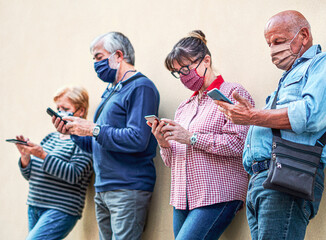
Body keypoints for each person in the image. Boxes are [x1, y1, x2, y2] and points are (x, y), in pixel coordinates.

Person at [216, 10, 326, 239]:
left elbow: (311, 114)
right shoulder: (287, 78)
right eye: (269, 44)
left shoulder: (325, 63)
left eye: (278, 41)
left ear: (304, 35)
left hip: (286, 175)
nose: (272, 50)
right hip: (262, 180)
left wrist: (252, 117)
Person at [53, 32, 160, 240]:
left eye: (99, 57)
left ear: (118, 56)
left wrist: (93, 129)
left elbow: (138, 138)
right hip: (104, 187)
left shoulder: (141, 87)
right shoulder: (111, 91)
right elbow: (98, 142)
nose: (95, 64)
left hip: (127, 188)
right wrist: (74, 131)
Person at [149, 30, 254, 240]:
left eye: (186, 68)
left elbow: (240, 144)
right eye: (178, 72)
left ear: (206, 60)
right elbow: (172, 161)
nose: (183, 76)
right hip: (183, 197)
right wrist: (164, 144)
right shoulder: (184, 107)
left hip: (218, 194)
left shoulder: (233, 93)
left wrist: (192, 138)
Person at [14, 86, 93, 240]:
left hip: (60, 209)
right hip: (35, 205)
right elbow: (31, 174)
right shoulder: (50, 138)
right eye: (57, 108)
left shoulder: (84, 141)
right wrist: (26, 157)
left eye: (65, 108)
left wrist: (43, 155)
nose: (59, 112)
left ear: (81, 111)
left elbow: (74, 174)